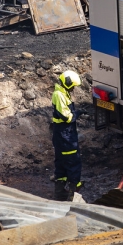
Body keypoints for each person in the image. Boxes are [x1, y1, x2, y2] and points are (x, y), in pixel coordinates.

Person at [51, 70, 83, 201]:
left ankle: (60, 193)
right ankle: (72, 194)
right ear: (68, 83)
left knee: (62, 163)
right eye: (73, 86)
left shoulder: (62, 93)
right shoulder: (59, 95)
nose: (74, 89)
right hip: (65, 135)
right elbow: (67, 117)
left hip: (62, 134)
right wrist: (77, 114)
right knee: (73, 161)